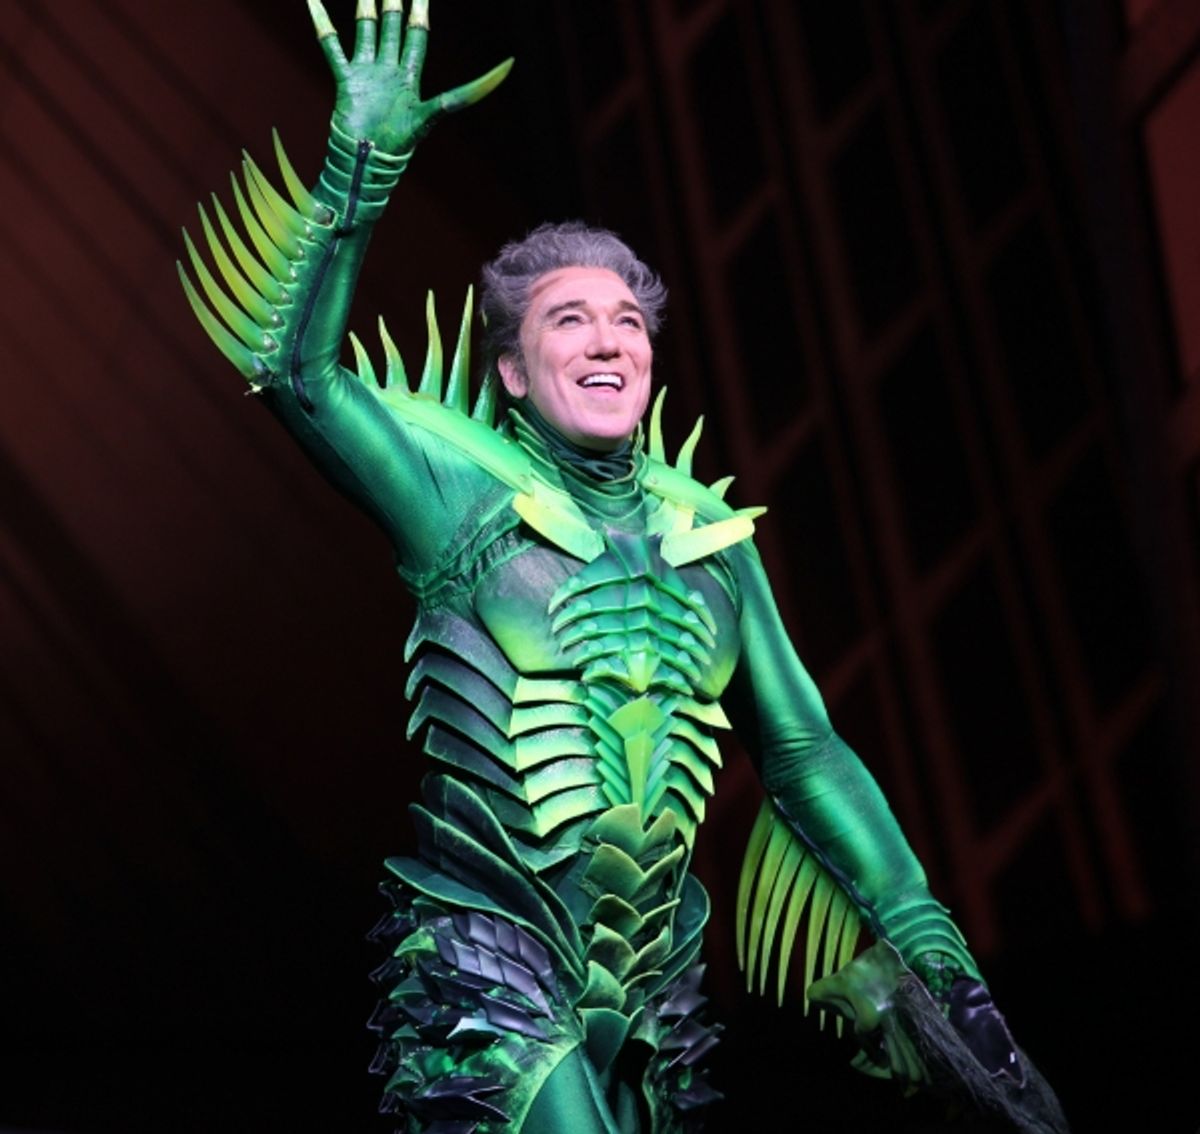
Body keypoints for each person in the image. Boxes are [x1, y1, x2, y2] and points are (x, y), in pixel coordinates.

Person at [179, 3, 1067, 1131]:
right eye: (568, 321)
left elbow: (803, 750)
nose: (607, 340)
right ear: (510, 370)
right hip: (491, 970)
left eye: (627, 322)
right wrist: (359, 168)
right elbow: (299, 373)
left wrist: (936, 954)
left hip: (657, 993)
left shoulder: (710, 541)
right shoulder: (464, 501)